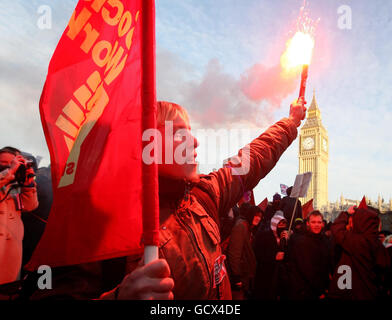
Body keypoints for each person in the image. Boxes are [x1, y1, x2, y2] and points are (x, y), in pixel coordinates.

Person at [30, 98, 306, 300]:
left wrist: (290, 123)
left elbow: (254, 157)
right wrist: (117, 299)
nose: (195, 141)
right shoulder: (102, 222)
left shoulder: (204, 196)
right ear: (146, 144)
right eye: (180, 132)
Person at [328, 207, 390, 300]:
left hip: (355, 293)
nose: (351, 224)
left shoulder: (357, 241)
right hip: (371, 292)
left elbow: (337, 229)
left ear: (361, 222)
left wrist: (346, 214)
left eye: (354, 221)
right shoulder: (379, 246)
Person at [0, 147, 38, 285]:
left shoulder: (15, 186)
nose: (9, 166)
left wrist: (28, 184)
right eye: (3, 163)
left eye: (13, 163)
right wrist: (9, 172)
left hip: (10, 255)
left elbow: (30, 206)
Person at [287, 211, 333, 300]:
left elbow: (326, 266)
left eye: (319, 222)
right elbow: (306, 270)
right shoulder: (301, 242)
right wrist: (319, 291)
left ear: (323, 224)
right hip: (305, 291)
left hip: (321, 288)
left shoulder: (325, 241)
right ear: (308, 223)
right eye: (313, 222)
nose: (317, 225)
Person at [226, 203, 260, 299]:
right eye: (256, 215)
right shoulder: (241, 226)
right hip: (238, 276)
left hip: (243, 275)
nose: (258, 218)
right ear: (250, 214)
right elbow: (234, 254)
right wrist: (236, 277)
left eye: (260, 216)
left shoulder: (249, 228)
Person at [252, 211, 290, 300]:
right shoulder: (264, 235)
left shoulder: (284, 237)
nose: (282, 226)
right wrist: (273, 256)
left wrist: (287, 242)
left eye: (284, 224)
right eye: (279, 224)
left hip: (278, 277)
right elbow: (258, 254)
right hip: (265, 276)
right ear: (274, 224)